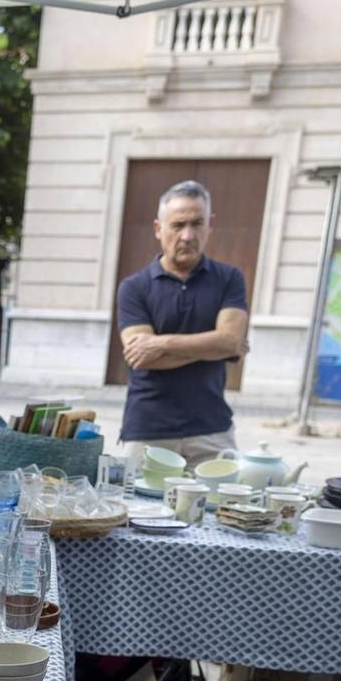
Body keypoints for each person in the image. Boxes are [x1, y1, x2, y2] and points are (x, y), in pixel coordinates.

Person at [115, 180, 250, 468]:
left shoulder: (230, 279)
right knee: (137, 512)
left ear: (210, 225)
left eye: (197, 223)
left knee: (221, 512)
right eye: (178, 225)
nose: (188, 235)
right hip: (147, 431)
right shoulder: (134, 287)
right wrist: (214, 346)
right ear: (158, 229)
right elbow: (141, 358)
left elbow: (229, 341)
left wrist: (160, 343)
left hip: (212, 431)